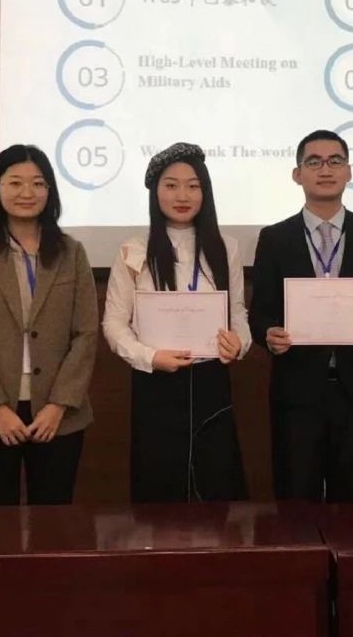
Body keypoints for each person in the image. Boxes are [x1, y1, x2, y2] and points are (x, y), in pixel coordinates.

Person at [249, 130, 353, 503]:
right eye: (314, 161)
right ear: (297, 174)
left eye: (335, 161)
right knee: (295, 498)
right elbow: (260, 311)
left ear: (349, 171)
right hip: (296, 390)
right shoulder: (275, 238)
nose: (325, 169)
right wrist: (268, 334)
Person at [0, 144, 98, 506]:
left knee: (54, 522)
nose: (27, 192)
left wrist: (58, 405)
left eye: (38, 183)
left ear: (50, 191)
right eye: (15, 182)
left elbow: (86, 334)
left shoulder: (71, 252)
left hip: (58, 414)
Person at [102, 142, 250, 502]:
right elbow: (114, 323)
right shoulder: (133, 250)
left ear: (205, 192)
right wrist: (150, 357)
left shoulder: (226, 247)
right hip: (156, 382)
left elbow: (237, 311)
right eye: (171, 185)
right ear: (155, 192)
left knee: (215, 487)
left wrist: (240, 343)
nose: (182, 195)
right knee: (159, 489)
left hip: (211, 381)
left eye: (193, 186)